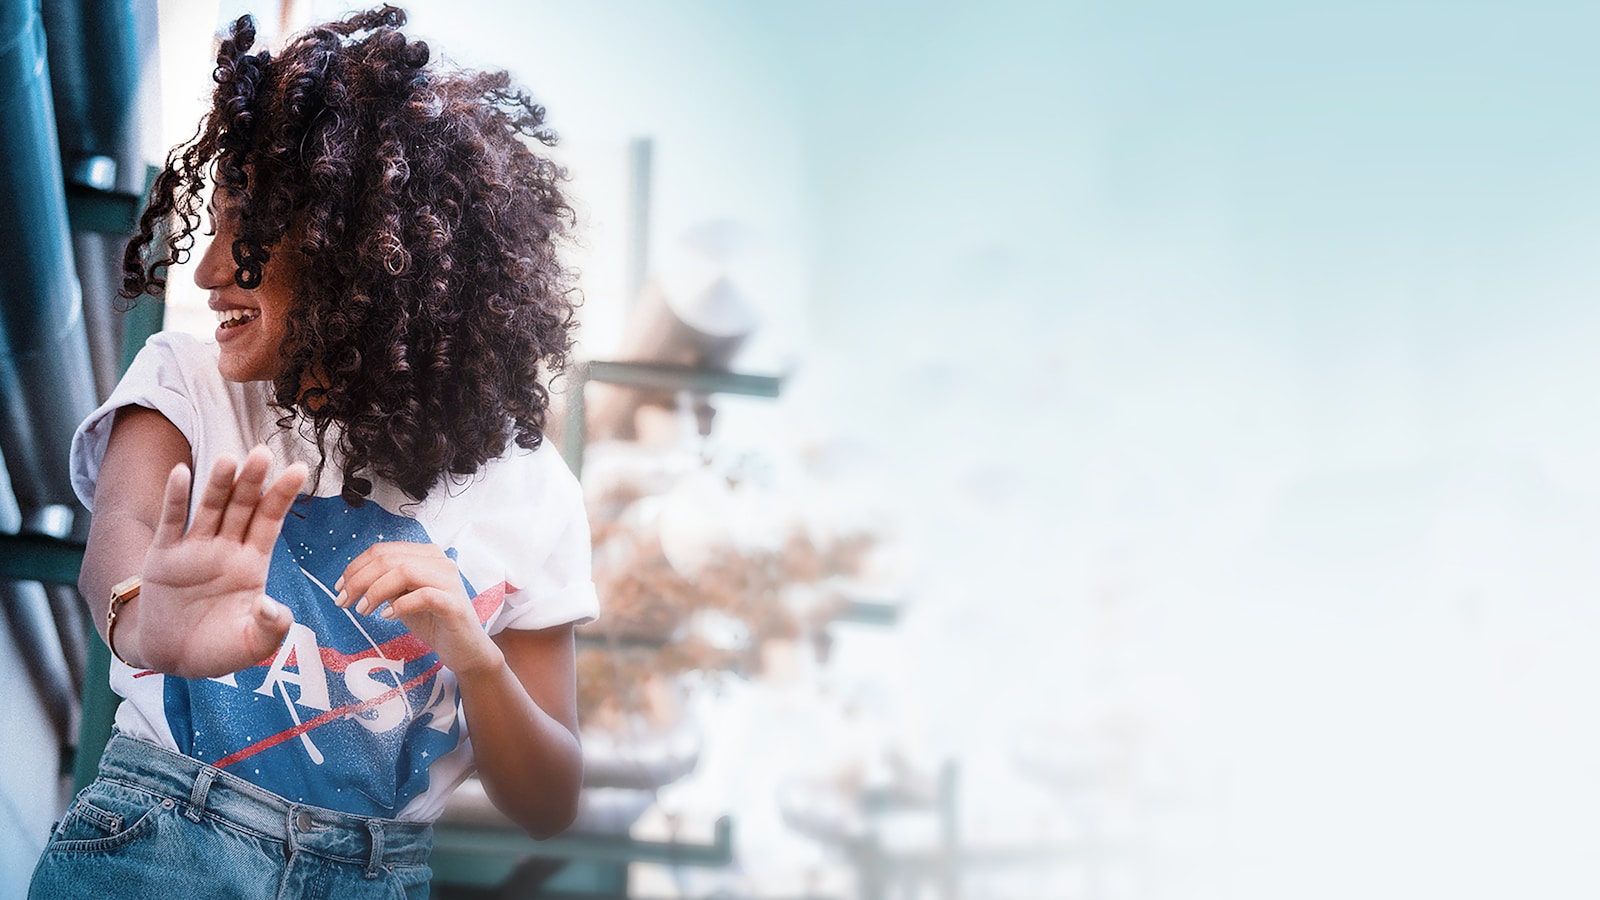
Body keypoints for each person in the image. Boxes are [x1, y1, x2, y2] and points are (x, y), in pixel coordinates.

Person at [30, 7, 594, 898]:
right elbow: (125, 537)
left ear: (353, 253)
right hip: (161, 841)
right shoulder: (185, 377)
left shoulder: (536, 499)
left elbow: (551, 800)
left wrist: (475, 659)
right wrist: (142, 621)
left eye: (243, 234)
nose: (210, 269)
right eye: (209, 231)